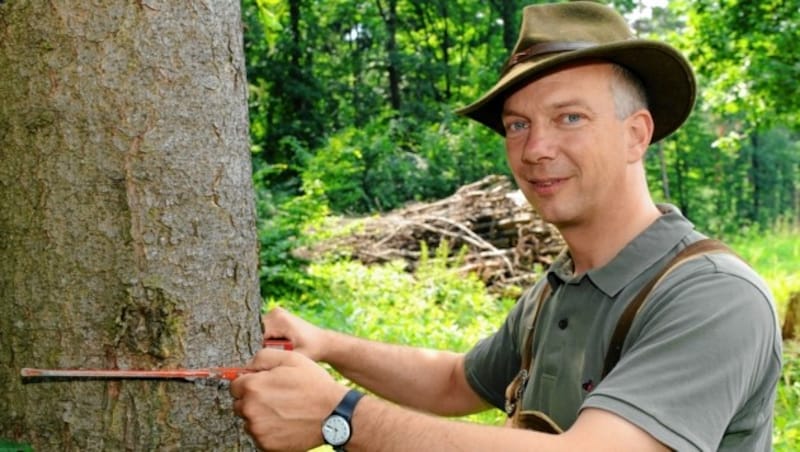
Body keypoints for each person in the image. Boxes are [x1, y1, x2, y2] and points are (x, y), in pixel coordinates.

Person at [231, 2, 782, 451]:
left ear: (637, 134)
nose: (536, 149)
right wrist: (327, 344)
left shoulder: (712, 295)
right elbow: (454, 382)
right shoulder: (558, 289)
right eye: (518, 125)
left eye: (570, 117)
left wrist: (341, 417)